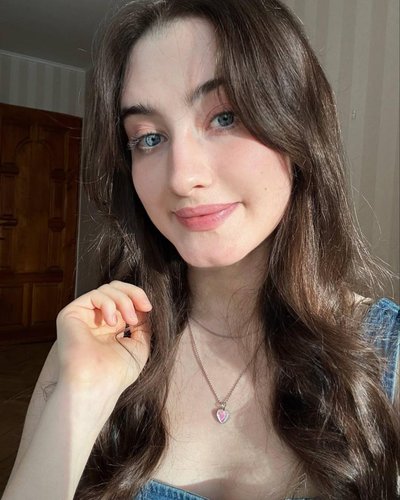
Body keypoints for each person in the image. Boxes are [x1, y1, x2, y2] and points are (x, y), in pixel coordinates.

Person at [3, 0, 399, 499]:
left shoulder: (386, 355)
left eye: (225, 117)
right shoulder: (88, 349)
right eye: (149, 138)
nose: (182, 176)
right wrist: (82, 398)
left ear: (299, 126)